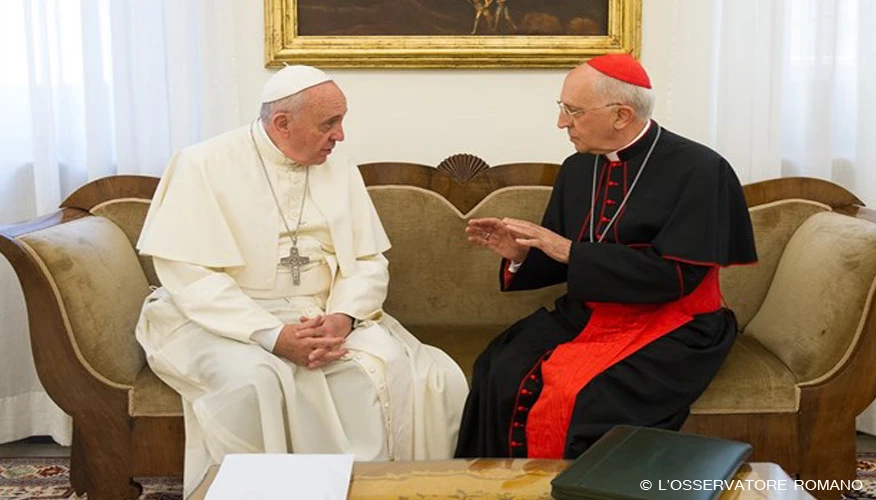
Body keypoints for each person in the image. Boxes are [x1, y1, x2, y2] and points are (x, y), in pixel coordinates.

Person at [135, 65, 468, 495]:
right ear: (281, 123)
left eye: (342, 121)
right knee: (255, 379)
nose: (341, 135)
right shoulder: (202, 163)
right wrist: (272, 335)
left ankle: (375, 491)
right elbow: (189, 276)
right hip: (220, 317)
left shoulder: (338, 166)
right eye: (329, 123)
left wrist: (344, 317)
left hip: (322, 310)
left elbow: (367, 260)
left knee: (390, 366)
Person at [454, 54, 757, 460]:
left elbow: (676, 278)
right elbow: (565, 258)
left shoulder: (701, 170)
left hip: (677, 325)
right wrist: (520, 255)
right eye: (562, 109)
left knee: (582, 397)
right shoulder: (578, 169)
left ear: (621, 115)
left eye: (573, 111)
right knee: (500, 367)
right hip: (590, 312)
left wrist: (570, 251)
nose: (562, 123)